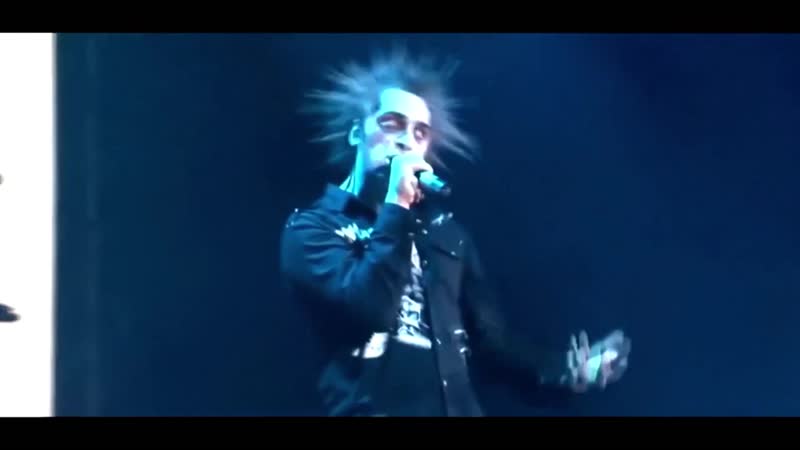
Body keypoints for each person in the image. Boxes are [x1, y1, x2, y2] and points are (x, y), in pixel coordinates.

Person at [279, 49, 631, 417]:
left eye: (419, 133)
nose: (406, 141)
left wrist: (566, 371)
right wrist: (397, 205)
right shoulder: (312, 228)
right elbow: (370, 310)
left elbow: (491, 343)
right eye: (392, 124)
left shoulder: (445, 234)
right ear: (357, 132)